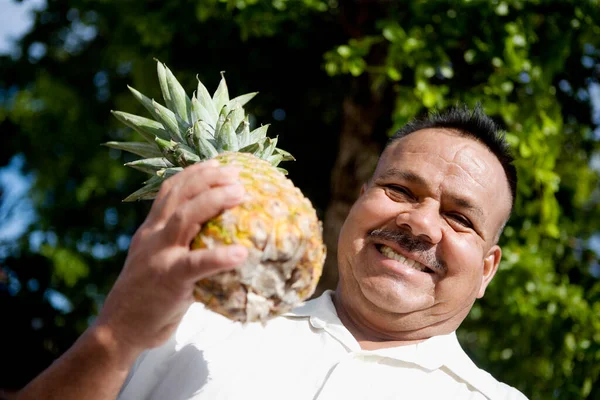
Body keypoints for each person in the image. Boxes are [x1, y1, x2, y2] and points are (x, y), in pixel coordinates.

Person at [16, 105, 528, 400]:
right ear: (356, 202)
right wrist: (116, 336)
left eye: (460, 218)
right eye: (399, 189)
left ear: (487, 270)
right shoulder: (190, 326)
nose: (419, 222)